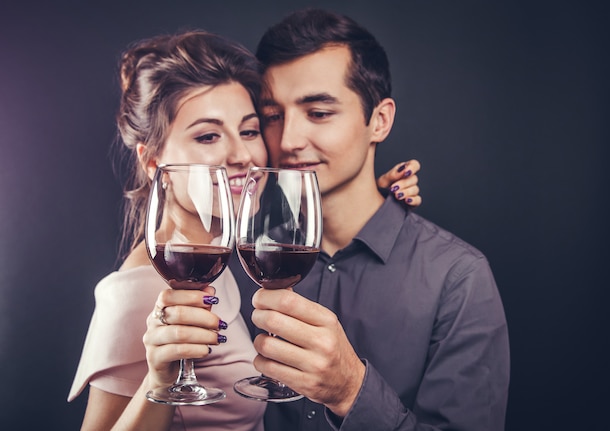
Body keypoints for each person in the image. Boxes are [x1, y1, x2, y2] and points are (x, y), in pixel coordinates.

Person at [154, 9, 509, 430]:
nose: (288, 141)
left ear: (379, 120)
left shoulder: (458, 278)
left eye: (319, 113)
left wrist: (351, 391)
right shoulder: (236, 255)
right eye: (272, 116)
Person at [68, 29, 421, 430]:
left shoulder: (222, 257)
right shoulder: (141, 290)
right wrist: (160, 380)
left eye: (250, 130)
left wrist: (366, 198)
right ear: (153, 163)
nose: (241, 155)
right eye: (207, 136)